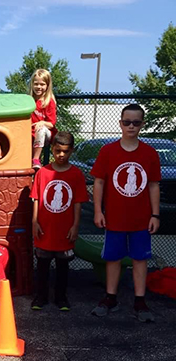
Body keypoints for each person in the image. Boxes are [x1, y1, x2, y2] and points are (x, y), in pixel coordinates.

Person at [90, 104, 160, 322]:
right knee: (113, 258)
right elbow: (99, 182)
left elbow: (153, 185)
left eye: (136, 122)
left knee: (140, 259)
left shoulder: (149, 153)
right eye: (127, 122)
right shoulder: (108, 151)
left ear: (142, 125)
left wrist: (155, 215)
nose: (131, 126)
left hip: (141, 219)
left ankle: (140, 301)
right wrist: (98, 211)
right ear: (120, 123)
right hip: (114, 218)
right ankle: (111, 297)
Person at [30, 131, 88, 311]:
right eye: (57, 151)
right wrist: (34, 222)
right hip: (44, 228)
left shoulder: (76, 174)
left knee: (63, 266)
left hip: (65, 229)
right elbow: (37, 198)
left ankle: (61, 298)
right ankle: (41, 297)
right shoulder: (43, 173)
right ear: (52, 150)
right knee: (42, 265)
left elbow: (78, 202)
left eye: (65, 151)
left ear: (71, 151)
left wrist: (75, 225)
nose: (61, 155)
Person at [30, 69, 57, 170]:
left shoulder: (49, 102)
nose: (39, 87)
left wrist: (42, 123)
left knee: (40, 130)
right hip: (31, 133)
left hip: (46, 134)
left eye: (42, 84)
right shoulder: (29, 100)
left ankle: (36, 159)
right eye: (36, 84)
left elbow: (52, 124)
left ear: (47, 85)